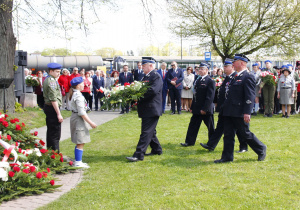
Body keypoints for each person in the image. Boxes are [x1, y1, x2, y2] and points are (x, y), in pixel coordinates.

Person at [214, 54, 267, 163]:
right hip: (229, 110)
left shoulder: (248, 76)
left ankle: (261, 148)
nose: (233, 64)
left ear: (242, 63)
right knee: (228, 135)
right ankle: (227, 157)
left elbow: (250, 96)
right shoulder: (236, 76)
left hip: (239, 111)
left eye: (235, 61)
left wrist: (247, 112)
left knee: (245, 133)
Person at [200, 60, 248, 153]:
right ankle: (211, 145)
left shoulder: (235, 76)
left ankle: (244, 146)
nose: (224, 68)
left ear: (232, 67)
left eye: (226, 66)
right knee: (220, 127)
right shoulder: (227, 77)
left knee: (239, 129)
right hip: (225, 107)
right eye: (224, 66)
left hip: (233, 108)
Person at [126, 57, 163, 162]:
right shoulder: (145, 76)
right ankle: (157, 149)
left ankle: (138, 154)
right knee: (150, 131)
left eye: (144, 65)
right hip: (147, 108)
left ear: (151, 65)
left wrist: (138, 96)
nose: (142, 67)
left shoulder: (156, 76)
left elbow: (152, 91)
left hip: (152, 109)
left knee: (146, 132)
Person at [180, 63, 215, 147]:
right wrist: (192, 107)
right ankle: (189, 141)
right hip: (197, 108)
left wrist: (205, 109)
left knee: (210, 127)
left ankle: (211, 144)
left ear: (207, 70)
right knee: (193, 125)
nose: (200, 70)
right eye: (199, 69)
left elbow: (210, 97)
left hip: (205, 109)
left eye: (202, 69)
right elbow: (195, 95)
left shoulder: (210, 81)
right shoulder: (198, 80)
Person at [69, 77, 97, 168]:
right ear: (78, 85)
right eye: (82, 83)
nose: (84, 85)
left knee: (79, 140)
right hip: (78, 118)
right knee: (80, 140)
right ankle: (78, 162)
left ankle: (78, 160)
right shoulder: (78, 96)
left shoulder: (75, 93)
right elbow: (82, 112)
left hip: (76, 117)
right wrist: (90, 122)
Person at [43, 62, 63, 153]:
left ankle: (51, 152)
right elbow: (53, 99)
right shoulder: (51, 81)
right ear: (51, 71)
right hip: (52, 108)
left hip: (50, 108)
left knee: (52, 132)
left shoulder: (51, 79)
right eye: (57, 71)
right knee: (55, 133)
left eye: (59, 71)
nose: (58, 73)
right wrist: (58, 114)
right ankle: (55, 154)